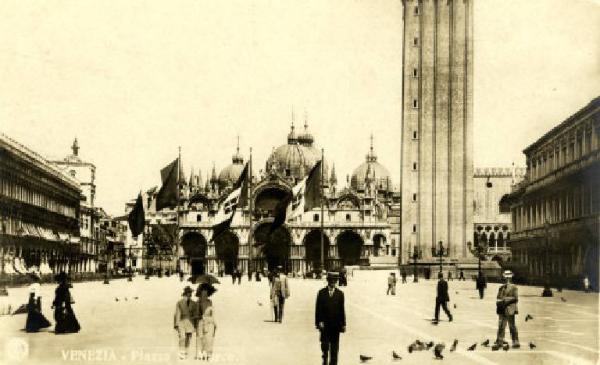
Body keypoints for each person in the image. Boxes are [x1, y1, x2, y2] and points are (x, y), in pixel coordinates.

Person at [315, 272, 346, 365]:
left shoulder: (340, 294)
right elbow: (318, 309)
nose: (333, 283)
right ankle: (324, 361)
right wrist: (319, 322)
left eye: (335, 281)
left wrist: (343, 324)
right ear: (328, 281)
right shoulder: (321, 293)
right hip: (324, 325)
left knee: (334, 348)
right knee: (325, 347)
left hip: (336, 326)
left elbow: (342, 310)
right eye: (331, 281)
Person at [492, 270, 520, 350]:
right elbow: (498, 297)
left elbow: (516, 298)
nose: (506, 279)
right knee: (501, 326)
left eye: (508, 278)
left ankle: (515, 341)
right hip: (502, 309)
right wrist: (499, 302)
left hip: (510, 308)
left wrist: (505, 300)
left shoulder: (514, 287)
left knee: (512, 326)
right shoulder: (501, 288)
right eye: (505, 278)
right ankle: (500, 341)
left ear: (510, 278)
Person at [174, 286, 199, 359]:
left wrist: (195, 322)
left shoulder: (194, 303)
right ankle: (181, 352)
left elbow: (195, 313)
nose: (189, 294)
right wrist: (176, 324)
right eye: (188, 292)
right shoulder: (179, 302)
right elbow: (177, 313)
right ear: (185, 293)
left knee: (188, 338)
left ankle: (186, 351)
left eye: (190, 292)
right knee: (182, 337)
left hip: (190, 322)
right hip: (182, 321)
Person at [196, 283, 217, 361]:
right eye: (203, 292)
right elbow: (196, 313)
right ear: (200, 292)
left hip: (209, 321)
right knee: (201, 338)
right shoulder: (198, 302)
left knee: (209, 338)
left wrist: (214, 322)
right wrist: (200, 316)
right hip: (201, 321)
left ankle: (208, 353)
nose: (205, 293)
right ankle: (201, 353)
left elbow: (212, 313)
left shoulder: (210, 301)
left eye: (206, 292)